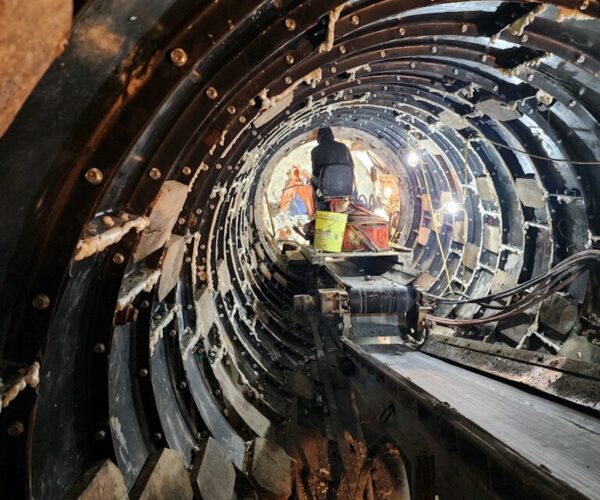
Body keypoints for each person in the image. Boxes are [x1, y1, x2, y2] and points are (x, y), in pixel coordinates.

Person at [310, 127, 355, 201]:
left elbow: (315, 171)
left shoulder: (315, 150)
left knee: (312, 179)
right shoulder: (343, 147)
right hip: (345, 186)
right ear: (332, 136)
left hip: (326, 187)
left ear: (318, 137)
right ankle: (352, 199)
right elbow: (352, 166)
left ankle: (318, 202)